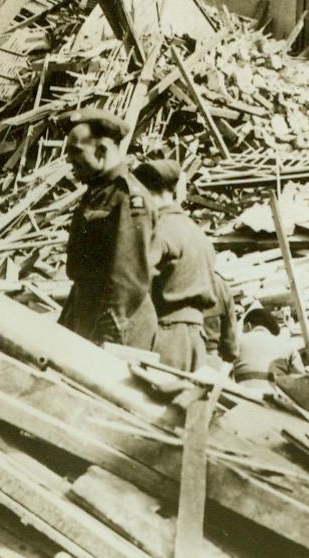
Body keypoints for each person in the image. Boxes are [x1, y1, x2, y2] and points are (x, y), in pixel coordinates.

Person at [60, 109, 157, 349]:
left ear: (102, 150)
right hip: (87, 315)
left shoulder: (128, 198)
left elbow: (128, 278)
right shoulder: (97, 194)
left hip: (115, 327)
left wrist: (108, 338)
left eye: (76, 151)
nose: (69, 160)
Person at [134, 159, 224, 372]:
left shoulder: (161, 229)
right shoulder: (197, 232)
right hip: (196, 337)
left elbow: (136, 280)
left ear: (147, 192)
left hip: (169, 334)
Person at [233, 308, 304, 394]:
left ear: (248, 326)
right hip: (275, 399)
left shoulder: (237, 341)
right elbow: (301, 383)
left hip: (243, 398)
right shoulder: (287, 346)